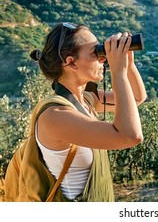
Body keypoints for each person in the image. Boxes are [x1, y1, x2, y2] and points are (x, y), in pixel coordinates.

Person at [29, 22, 147, 201]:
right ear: (71, 62)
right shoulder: (55, 116)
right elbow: (131, 136)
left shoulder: (87, 100)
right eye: (96, 52)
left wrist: (128, 63)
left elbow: (137, 97)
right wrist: (118, 72)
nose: (103, 58)